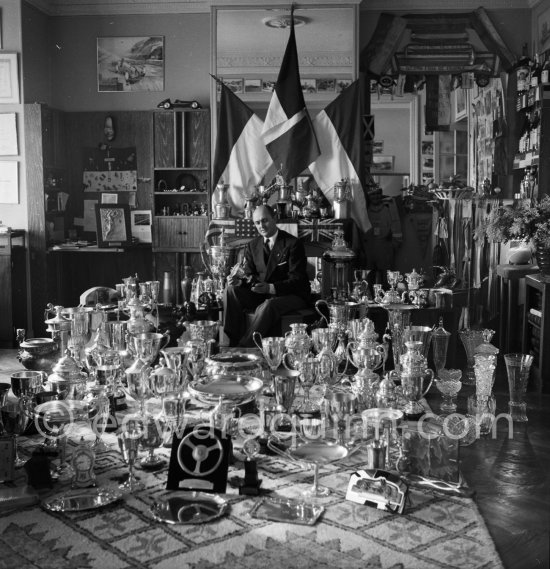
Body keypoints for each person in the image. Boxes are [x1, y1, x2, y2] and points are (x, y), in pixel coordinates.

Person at [223, 205, 311, 347]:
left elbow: (298, 280)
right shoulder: (253, 245)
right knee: (230, 290)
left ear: (274, 218)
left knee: (269, 305)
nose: (261, 226)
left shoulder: (293, 244)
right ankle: (232, 341)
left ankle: (245, 347)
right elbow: (250, 276)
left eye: (265, 221)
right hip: (263, 294)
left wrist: (270, 288)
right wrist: (239, 282)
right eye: (257, 223)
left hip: (293, 295)